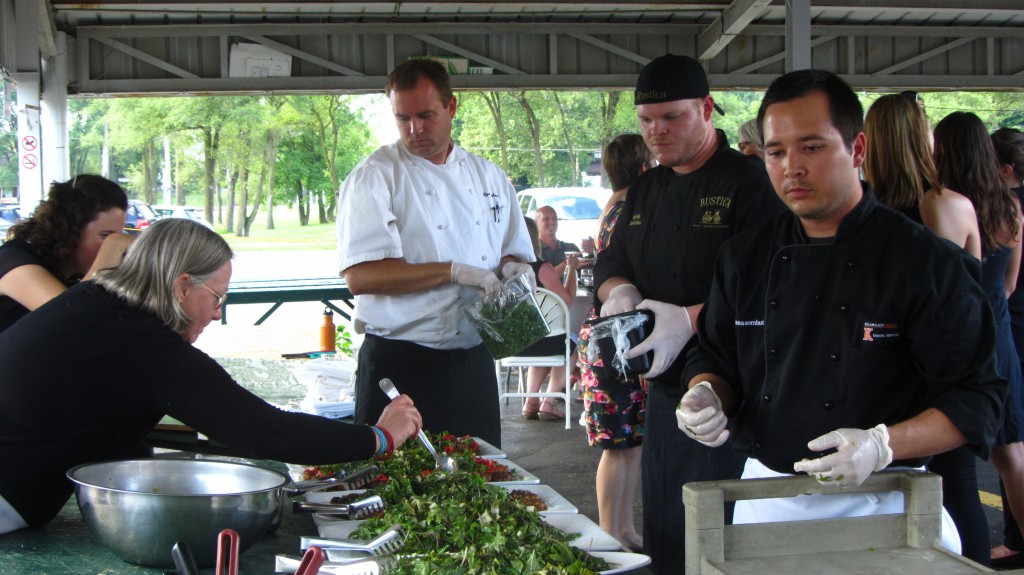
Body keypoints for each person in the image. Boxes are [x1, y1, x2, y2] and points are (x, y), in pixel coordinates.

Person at [676, 69, 1006, 555]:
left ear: (857, 150)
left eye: (812, 147)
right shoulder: (744, 257)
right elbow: (717, 355)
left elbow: (979, 401)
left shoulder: (924, 262)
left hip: (887, 502)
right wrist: (705, 393)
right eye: (776, 151)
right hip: (767, 499)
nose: (792, 167)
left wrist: (881, 443)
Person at [0, 218, 423, 535]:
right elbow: (262, 432)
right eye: (217, 296)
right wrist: (378, 438)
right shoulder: (143, 344)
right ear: (183, 286)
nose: (218, 312)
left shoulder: (95, 304)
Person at [592, 54, 783, 574]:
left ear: (707, 108)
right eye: (647, 121)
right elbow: (613, 258)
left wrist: (693, 317)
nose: (657, 132)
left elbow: (771, 283)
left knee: (723, 537)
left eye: (672, 117)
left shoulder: (752, 182)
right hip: (666, 386)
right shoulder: (647, 189)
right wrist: (620, 290)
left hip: (737, 391)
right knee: (667, 532)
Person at [336, 58, 534, 448]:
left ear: (452, 107)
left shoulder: (488, 176)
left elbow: (513, 251)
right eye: (403, 118)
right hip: (401, 362)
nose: (415, 129)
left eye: (425, 115)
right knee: (395, 488)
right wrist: (455, 271)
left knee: (481, 478)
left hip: (474, 358)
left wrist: (516, 271)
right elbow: (361, 277)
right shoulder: (375, 176)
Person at [863, 93, 989, 564]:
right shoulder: (943, 204)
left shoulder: (865, 212)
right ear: (919, 136)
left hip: (885, 367)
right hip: (941, 371)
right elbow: (965, 302)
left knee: (889, 492)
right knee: (957, 486)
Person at [932, 113, 1024, 567]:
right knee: (1012, 457)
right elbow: (1008, 284)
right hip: (1003, 334)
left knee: (969, 464)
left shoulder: (947, 204)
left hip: (973, 341)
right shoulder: (1009, 207)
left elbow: (947, 282)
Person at [577, 133, 652, 551]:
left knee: (629, 441)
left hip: (613, 334)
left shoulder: (615, 207)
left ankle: (623, 527)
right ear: (645, 167)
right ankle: (610, 530)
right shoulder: (628, 209)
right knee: (617, 443)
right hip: (616, 338)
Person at [0, 174, 135, 333]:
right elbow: (70, 318)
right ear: (69, 232)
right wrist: (113, 248)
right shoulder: (14, 261)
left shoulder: (72, 277)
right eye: (105, 236)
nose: (110, 246)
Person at [993, 126, 1024, 567]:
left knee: (1010, 445)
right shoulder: (1009, 210)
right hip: (1012, 320)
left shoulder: (1002, 208)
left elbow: (1006, 288)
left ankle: (1017, 539)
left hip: (1011, 328)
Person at [519, 216, 577, 421]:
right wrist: (573, 270)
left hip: (514, 344)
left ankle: (530, 401)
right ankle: (549, 402)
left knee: (545, 341)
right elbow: (567, 301)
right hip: (540, 341)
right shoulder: (539, 267)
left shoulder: (501, 265)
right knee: (569, 345)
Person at [535, 205, 583, 280]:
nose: (552, 221)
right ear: (536, 223)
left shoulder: (571, 248)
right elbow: (539, 282)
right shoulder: (532, 252)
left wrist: (591, 252)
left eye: (555, 218)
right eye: (546, 219)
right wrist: (568, 264)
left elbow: (587, 275)